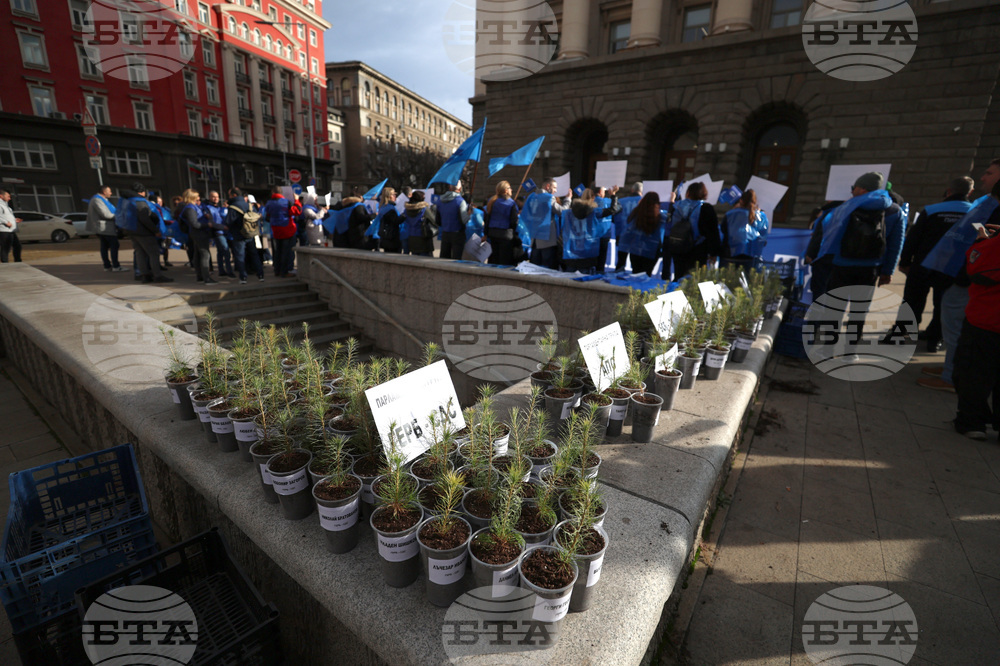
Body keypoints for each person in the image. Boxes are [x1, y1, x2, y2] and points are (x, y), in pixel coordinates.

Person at [919, 159, 1000, 392]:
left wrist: (964, 274)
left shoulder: (994, 207)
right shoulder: (986, 203)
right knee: (954, 323)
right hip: (962, 273)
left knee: (955, 325)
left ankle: (951, 377)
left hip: (969, 277)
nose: (983, 177)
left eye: (989, 173)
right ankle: (952, 368)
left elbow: (984, 245)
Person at [898, 177, 974, 353]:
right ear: (970, 192)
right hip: (953, 267)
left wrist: (905, 261)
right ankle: (935, 339)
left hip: (923, 263)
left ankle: (902, 332)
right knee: (942, 303)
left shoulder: (932, 210)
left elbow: (913, 238)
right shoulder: (974, 213)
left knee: (913, 298)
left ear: (949, 190)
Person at [951, 180, 1000, 439]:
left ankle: (971, 422)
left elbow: (977, 266)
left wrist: (982, 243)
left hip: (987, 320)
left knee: (973, 372)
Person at [817, 172, 904, 292]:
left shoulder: (846, 206)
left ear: (863, 189)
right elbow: (896, 244)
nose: (852, 191)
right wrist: (888, 271)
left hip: (842, 264)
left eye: (854, 187)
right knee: (860, 304)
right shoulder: (895, 211)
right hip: (871, 267)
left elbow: (829, 235)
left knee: (835, 303)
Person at [666, 182, 721, 280]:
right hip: (698, 249)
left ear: (688, 192)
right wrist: (714, 252)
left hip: (678, 245)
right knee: (695, 278)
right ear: (704, 193)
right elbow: (713, 232)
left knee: (679, 276)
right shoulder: (706, 208)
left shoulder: (677, 206)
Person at [561, 186, 621, 273]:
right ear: (593, 198)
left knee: (569, 277)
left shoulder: (568, 212)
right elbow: (613, 209)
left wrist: (568, 199)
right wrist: (613, 195)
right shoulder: (594, 212)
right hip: (588, 251)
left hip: (572, 251)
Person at [122, 182, 172, 283]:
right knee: (153, 254)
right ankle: (157, 275)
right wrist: (155, 230)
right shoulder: (140, 202)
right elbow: (145, 219)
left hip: (132, 231)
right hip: (144, 232)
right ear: (142, 192)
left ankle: (145, 275)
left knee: (140, 253)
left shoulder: (126, 202)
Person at [521, 177, 568, 269]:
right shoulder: (548, 197)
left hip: (535, 239)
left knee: (535, 268)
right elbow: (563, 211)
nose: (555, 190)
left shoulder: (531, 197)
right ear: (547, 186)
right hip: (547, 240)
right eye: (554, 187)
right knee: (548, 269)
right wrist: (568, 199)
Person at [618, 191, 667, 277]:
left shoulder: (636, 213)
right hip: (652, 252)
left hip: (635, 250)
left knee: (635, 273)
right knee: (647, 275)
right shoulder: (661, 218)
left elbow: (628, 230)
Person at [803, 200, 843, 300]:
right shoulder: (845, 211)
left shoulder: (830, 214)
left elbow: (820, 235)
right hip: (837, 258)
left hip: (824, 258)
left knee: (820, 290)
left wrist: (811, 253)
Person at [722, 189, 770, 269]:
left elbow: (723, 229)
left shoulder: (730, 214)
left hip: (731, 254)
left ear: (741, 201)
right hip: (752, 255)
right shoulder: (762, 216)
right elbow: (763, 237)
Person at [225, 187, 264, 284]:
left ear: (234, 195)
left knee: (240, 256)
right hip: (250, 233)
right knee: (254, 254)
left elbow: (229, 221)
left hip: (238, 235)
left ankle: (243, 277)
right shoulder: (249, 205)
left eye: (230, 195)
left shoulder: (233, 207)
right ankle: (260, 275)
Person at [175, 189, 214, 284]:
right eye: (197, 196)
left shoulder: (192, 207)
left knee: (198, 254)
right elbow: (194, 223)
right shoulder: (190, 208)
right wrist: (207, 224)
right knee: (205, 254)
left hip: (196, 233)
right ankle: (206, 278)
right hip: (199, 233)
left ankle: (200, 276)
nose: (198, 198)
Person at [262, 185, 297, 277]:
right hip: (287, 229)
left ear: (273, 193)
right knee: (286, 252)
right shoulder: (287, 202)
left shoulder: (269, 203)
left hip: (275, 230)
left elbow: (267, 216)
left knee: (278, 251)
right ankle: (284, 271)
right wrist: (296, 200)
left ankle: (277, 270)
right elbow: (296, 212)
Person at [86, 185, 123, 271]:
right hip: (104, 227)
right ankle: (115, 266)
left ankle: (107, 266)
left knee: (105, 246)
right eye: (109, 191)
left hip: (104, 227)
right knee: (114, 245)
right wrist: (120, 216)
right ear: (104, 192)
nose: (111, 193)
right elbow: (105, 214)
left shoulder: (102, 200)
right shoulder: (97, 200)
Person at [485, 181, 519, 265]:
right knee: (504, 261)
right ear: (506, 190)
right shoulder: (511, 203)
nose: (511, 189)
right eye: (510, 188)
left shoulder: (492, 201)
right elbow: (514, 221)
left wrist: (485, 233)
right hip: (505, 234)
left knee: (495, 258)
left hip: (493, 233)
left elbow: (487, 219)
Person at [614, 182, 644, 270]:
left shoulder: (621, 201)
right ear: (642, 191)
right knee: (636, 264)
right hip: (638, 235)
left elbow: (614, 216)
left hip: (622, 233)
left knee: (621, 261)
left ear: (632, 190)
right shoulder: (644, 202)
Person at [437, 182, 471, 260]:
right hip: (457, 233)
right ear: (460, 189)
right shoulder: (460, 201)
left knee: (444, 259)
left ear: (449, 188)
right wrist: (469, 214)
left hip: (445, 233)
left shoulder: (440, 201)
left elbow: (438, 220)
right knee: (456, 259)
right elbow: (464, 220)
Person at [204, 191, 234, 278]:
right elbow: (211, 222)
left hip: (225, 232)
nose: (216, 198)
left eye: (217, 197)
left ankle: (221, 270)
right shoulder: (208, 208)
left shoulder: (220, 208)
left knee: (220, 251)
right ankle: (229, 271)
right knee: (226, 250)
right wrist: (222, 227)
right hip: (218, 231)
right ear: (209, 197)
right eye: (213, 197)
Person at [401, 190, 438, 256]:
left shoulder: (407, 210)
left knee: (415, 257)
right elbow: (434, 221)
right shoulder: (424, 209)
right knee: (426, 257)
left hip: (411, 236)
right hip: (423, 237)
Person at [369, 188, 402, 253]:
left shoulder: (383, 207)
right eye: (393, 194)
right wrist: (404, 216)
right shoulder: (390, 209)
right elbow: (395, 221)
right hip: (391, 237)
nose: (395, 196)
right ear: (389, 196)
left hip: (385, 236)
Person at [0, 189, 22, 263]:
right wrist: (6, 222)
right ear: (1, 196)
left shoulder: (7, 206)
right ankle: (5, 263)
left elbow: (5, 216)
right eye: (8, 196)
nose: (9, 198)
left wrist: (14, 220)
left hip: (10, 230)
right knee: (6, 248)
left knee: (17, 246)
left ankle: (18, 261)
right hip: (4, 230)